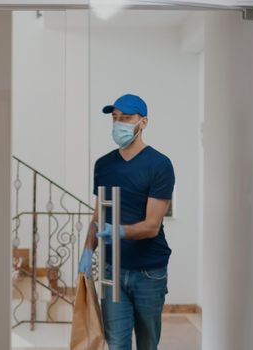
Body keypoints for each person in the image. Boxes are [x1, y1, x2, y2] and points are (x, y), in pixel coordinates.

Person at [78, 94, 175, 350]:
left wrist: (119, 231)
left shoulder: (160, 165)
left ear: (143, 122)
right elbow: (98, 218)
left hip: (148, 272)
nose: (119, 123)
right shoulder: (104, 165)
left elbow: (152, 225)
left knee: (147, 344)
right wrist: (88, 250)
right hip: (113, 269)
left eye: (126, 118)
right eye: (115, 118)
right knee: (117, 345)